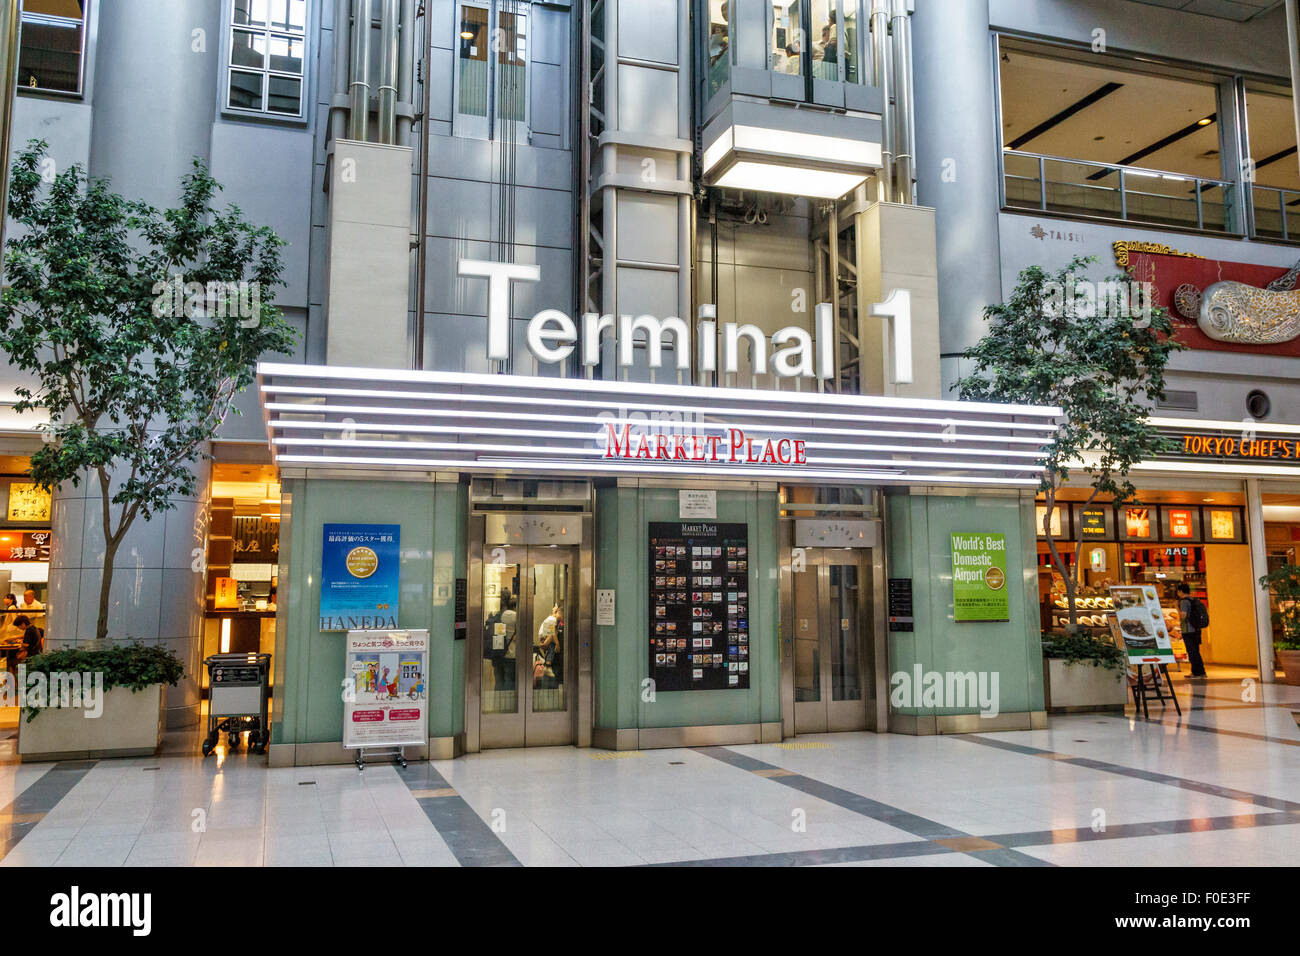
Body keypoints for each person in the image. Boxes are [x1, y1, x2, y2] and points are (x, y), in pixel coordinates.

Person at [1175, 582, 1207, 679]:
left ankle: (1198, 673)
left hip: (1188, 630)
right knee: (1195, 651)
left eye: (1178, 591)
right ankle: (1198, 672)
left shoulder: (1184, 601)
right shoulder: (1193, 600)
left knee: (1192, 652)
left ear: (1180, 591)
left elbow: (1183, 615)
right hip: (1196, 629)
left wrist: (1176, 607)